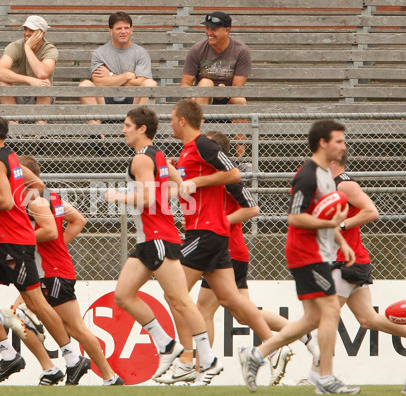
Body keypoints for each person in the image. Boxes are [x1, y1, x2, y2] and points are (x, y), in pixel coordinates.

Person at [0, 114, 87, 385]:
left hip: (13, 243)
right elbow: (38, 186)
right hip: (0, 243)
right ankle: (9, 354)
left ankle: (72, 358)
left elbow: (5, 201)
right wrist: (21, 206)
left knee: (36, 304)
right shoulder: (11, 157)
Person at [239, 120, 359, 394]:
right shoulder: (307, 175)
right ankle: (324, 378)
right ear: (323, 143)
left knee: (312, 318)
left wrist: (342, 241)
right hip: (305, 252)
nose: (343, 146)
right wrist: (331, 228)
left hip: (320, 251)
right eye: (338, 141)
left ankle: (256, 354)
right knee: (330, 310)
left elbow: (327, 217)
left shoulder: (327, 175)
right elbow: (295, 217)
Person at [105, 106, 221, 385]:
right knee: (123, 294)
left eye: (127, 125)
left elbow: (145, 200)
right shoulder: (156, 156)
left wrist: (116, 196)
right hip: (149, 237)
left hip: (158, 236)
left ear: (141, 129)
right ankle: (168, 345)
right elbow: (179, 185)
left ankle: (207, 359)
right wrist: (166, 185)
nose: (123, 129)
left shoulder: (142, 159)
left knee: (180, 300)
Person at [165, 99, 274, 386]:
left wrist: (196, 184)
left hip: (206, 231)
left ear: (182, 121)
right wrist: (173, 173)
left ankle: (189, 360)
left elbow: (234, 174)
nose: (170, 123)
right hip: (203, 231)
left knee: (174, 293)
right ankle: (273, 346)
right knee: (230, 300)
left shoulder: (203, 145)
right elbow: (187, 188)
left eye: (172, 118)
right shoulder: (187, 152)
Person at [19, 155, 124, 386]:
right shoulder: (50, 198)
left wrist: (19, 240)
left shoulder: (34, 201)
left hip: (52, 272)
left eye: (16, 174)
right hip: (49, 270)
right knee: (22, 316)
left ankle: (101, 374)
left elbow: (51, 231)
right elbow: (78, 220)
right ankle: (77, 367)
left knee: (71, 327)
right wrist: (59, 246)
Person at [329, 152, 406, 385]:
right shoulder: (327, 185)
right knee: (368, 319)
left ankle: (320, 375)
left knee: (324, 318)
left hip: (346, 261)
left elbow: (372, 212)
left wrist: (341, 224)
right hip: (346, 259)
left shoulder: (345, 184)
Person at [79, 11, 157, 113]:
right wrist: (128, 76)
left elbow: (140, 82)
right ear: (110, 31)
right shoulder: (99, 53)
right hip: (105, 99)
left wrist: (111, 76)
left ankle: (137, 124)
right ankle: (95, 126)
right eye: (119, 28)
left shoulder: (141, 53)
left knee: (151, 84)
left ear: (131, 30)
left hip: (133, 100)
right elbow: (98, 82)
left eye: (126, 28)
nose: (123, 31)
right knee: (85, 85)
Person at [181, 11, 251, 106]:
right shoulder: (197, 50)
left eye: (214, 29)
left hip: (227, 98)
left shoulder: (241, 51)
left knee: (240, 101)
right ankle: (199, 120)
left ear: (226, 30)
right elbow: (185, 84)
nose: (209, 33)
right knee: (206, 83)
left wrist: (223, 92)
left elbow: (237, 87)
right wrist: (192, 100)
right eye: (207, 28)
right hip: (202, 98)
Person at [0, 15, 57, 111]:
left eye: (31, 30)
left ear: (42, 33)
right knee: (4, 83)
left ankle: (40, 125)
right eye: (25, 29)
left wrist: (27, 48)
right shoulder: (15, 46)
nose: (26, 33)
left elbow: (42, 73)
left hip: (39, 95)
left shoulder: (50, 49)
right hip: (17, 93)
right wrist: (29, 80)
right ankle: (13, 123)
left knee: (45, 84)